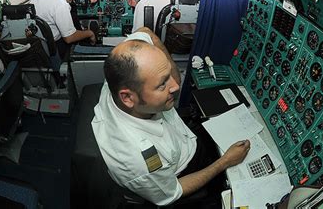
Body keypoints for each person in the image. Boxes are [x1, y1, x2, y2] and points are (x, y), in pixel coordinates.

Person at [91, 27, 250, 206]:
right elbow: (173, 191)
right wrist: (225, 162)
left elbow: (145, 32)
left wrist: (169, 70)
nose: (175, 85)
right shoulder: (138, 159)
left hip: (183, 137)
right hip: (184, 172)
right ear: (128, 97)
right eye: (162, 84)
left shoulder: (122, 69)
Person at [31, 0, 98, 59]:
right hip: (53, 46)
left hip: (38, 41)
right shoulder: (60, 4)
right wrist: (90, 33)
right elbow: (69, 38)